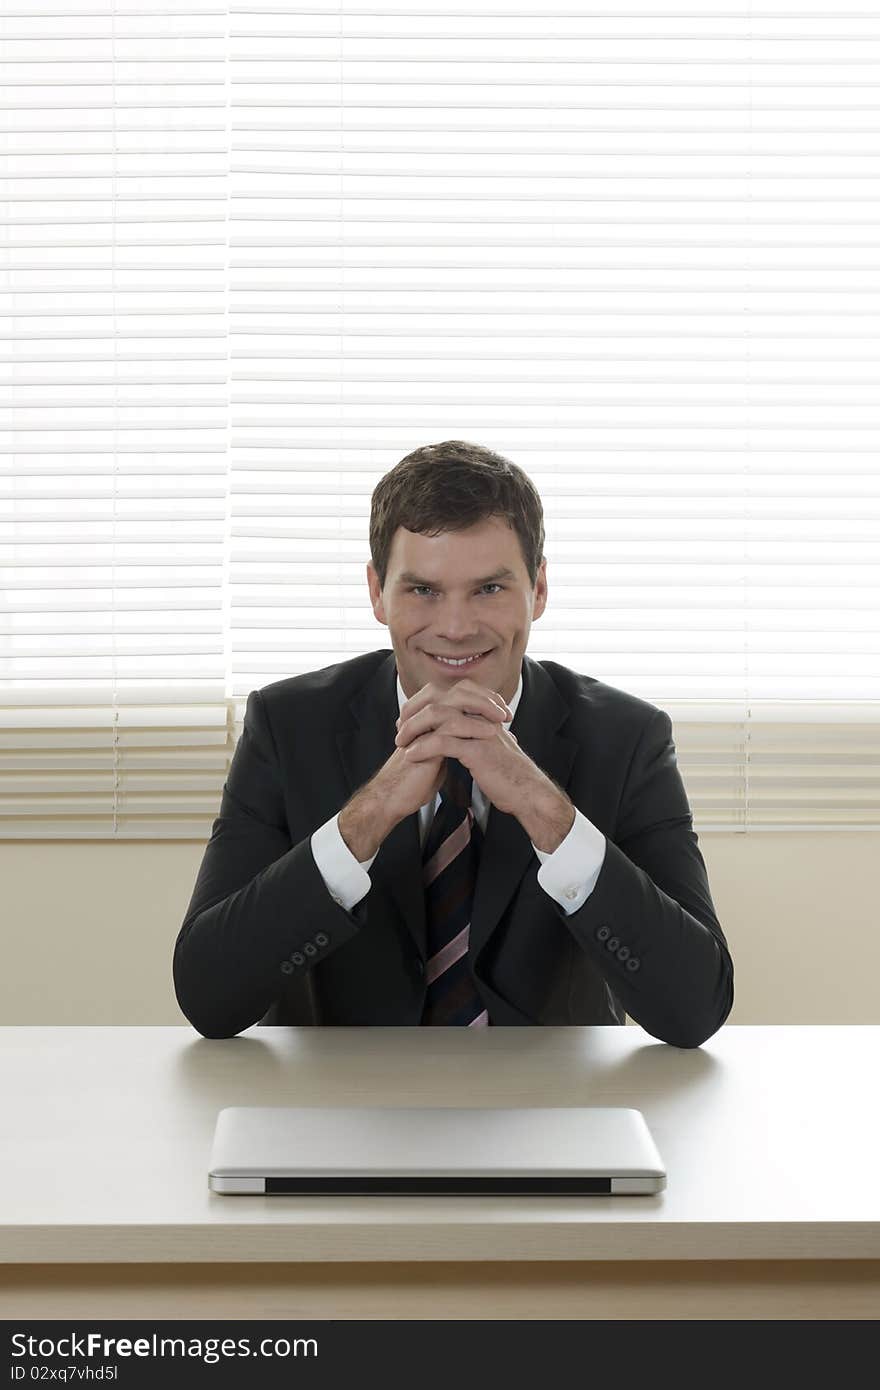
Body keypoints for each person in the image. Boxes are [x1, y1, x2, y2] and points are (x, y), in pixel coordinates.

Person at [173, 440, 734, 1044]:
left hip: (554, 1114)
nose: (457, 627)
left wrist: (547, 812)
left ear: (538, 590)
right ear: (376, 593)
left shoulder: (627, 739)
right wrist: (368, 816)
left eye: (489, 589)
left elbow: (693, 1009)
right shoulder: (286, 727)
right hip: (339, 1111)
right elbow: (210, 999)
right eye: (423, 591)